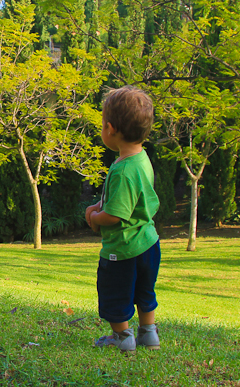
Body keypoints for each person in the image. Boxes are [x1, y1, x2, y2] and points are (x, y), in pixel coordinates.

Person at [85, 85, 161, 354]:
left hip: (123, 248)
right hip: (148, 243)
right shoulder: (140, 159)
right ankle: (148, 333)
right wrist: (99, 204)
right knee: (144, 291)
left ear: (110, 128)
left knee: (115, 292)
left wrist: (95, 216)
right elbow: (128, 199)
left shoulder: (123, 170)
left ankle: (122, 337)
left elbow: (116, 215)